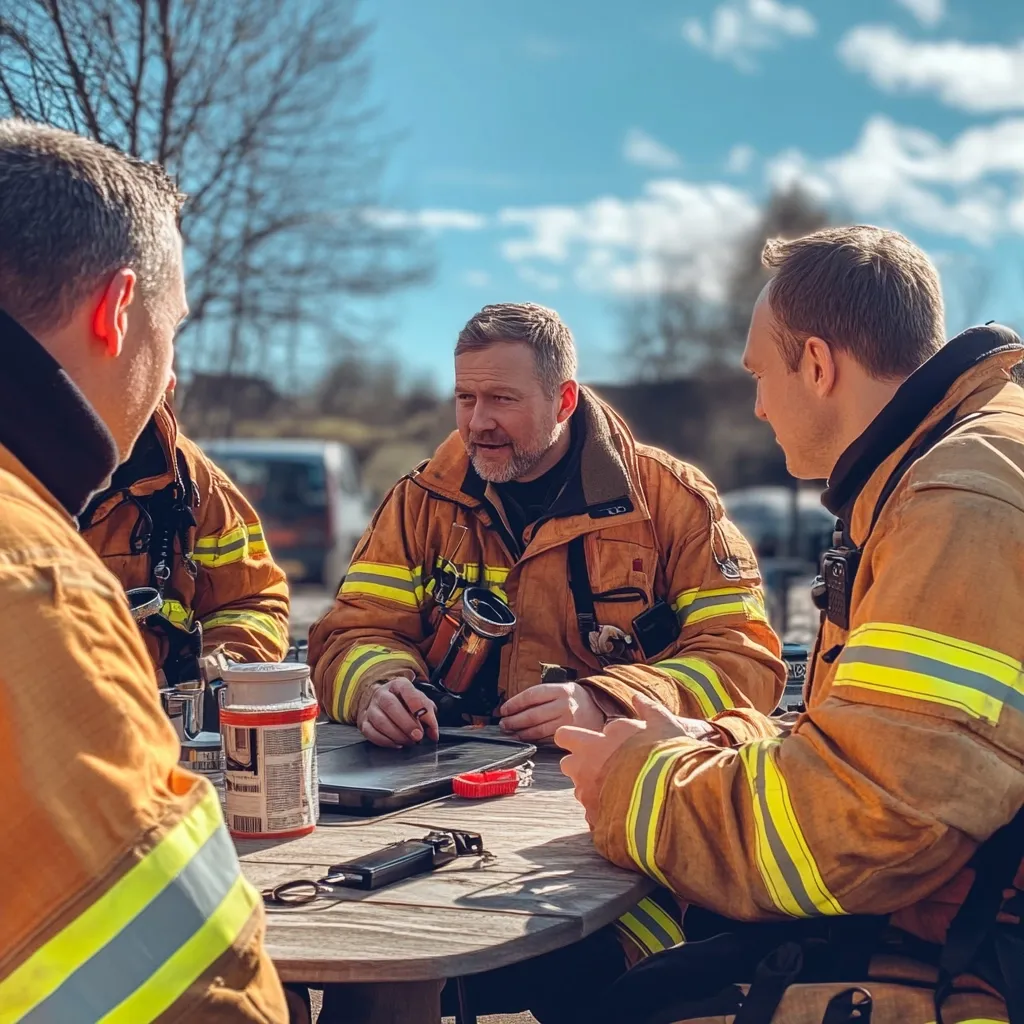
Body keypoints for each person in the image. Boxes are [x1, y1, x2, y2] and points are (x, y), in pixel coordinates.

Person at [558, 226, 1024, 1023]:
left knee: (625, 1003)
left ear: (817, 363)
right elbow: (896, 752)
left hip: (981, 960)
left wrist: (638, 787)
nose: (758, 404)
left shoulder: (956, 503)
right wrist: (715, 744)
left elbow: (875, 828)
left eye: (761, 374)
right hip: (965, 914)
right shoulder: (959, 460)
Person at [307, 301, 785, 1021]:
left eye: (501, 398)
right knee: (362, 961)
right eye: (465, 398)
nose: (476, 422)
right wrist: (380, 682)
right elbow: (349, 633)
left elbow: (744, 664)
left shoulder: (671, 504)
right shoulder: (419, 503)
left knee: (603, 981)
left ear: (563, 399)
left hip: (605, 821)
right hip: (432, 801)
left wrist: (609, 699)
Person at [0, 119, 290, 1020]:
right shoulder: (32, 576)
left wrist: (224, 666)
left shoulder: (190, 485)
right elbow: (184, 989)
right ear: (118, 310)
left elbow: (257, 592)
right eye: (170, 327)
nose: (168, 365)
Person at [79, 393, 291, 685]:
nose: (170, 381)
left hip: (155, 722)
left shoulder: (186, 476)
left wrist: (209, 668)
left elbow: (250, 602)